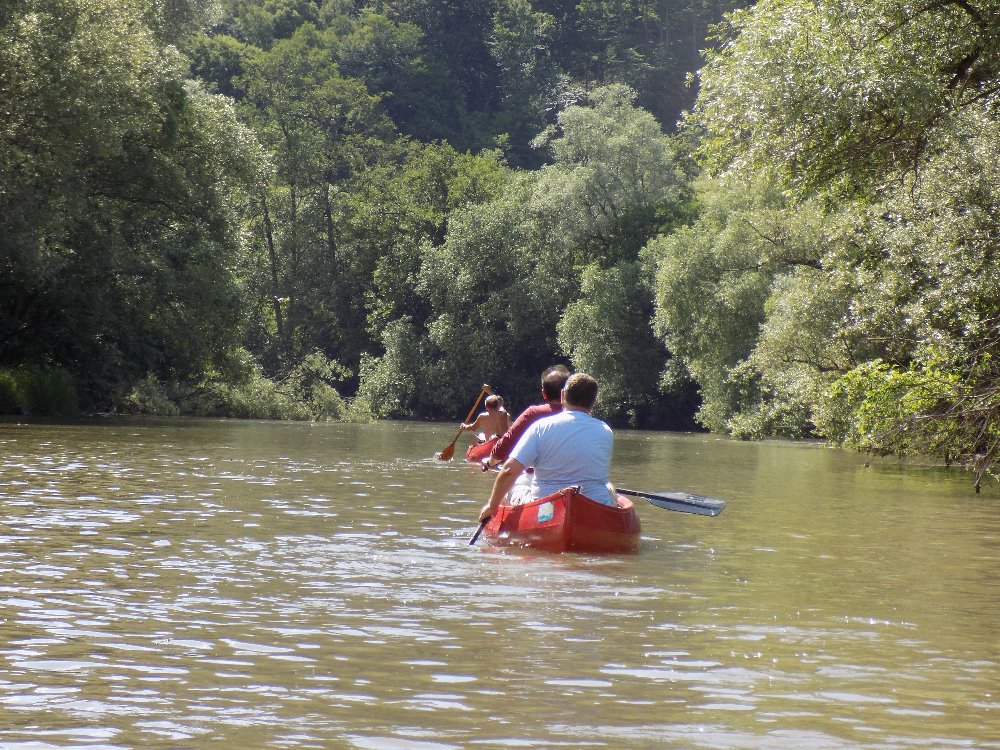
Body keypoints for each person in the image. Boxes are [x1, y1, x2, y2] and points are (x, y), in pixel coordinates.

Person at [478, 372, 616, 522]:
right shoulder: (606, 431)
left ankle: (502, 526)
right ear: (594, 401)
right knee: (609, 486)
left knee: (511, 488)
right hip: (593, 509)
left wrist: (492, 505)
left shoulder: (540, 427)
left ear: (563, 395)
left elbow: (509, 471)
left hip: (545, 511)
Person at [483, 365, 570, 470]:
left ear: (544, 394)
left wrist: (489, 463)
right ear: (567, 393)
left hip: (539, 475)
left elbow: (503, 447)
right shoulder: (583, 416)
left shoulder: (534, 413)